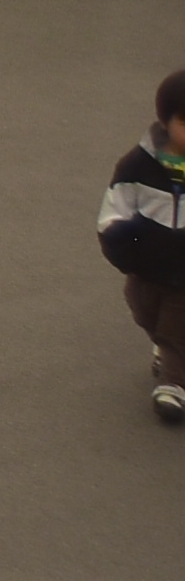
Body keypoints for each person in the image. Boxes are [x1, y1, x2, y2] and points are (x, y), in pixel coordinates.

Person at [102, 67, 185, 421]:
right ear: (165, 121)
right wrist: (120, 243)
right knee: (144, 310)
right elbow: (115, 210)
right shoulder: (137, 166)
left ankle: (174, 384)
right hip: (147, 268)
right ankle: (165, 349)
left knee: (176, 326)